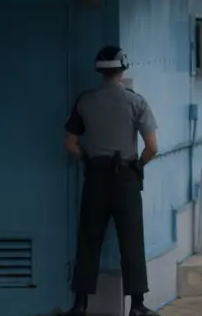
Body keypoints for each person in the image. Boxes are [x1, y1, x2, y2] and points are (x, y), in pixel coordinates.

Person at [65, 46, 159, 316]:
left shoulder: (85, 101)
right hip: (125, 177)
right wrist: (138, 166)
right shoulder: (136, 102)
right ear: (123, 69)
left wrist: (88, 159)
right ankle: (137, 306)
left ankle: (80, 304)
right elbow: (152, 147)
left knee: (88, 240)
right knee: (131, 240)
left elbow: (70, 143)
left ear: (99, 71)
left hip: (96, 177)